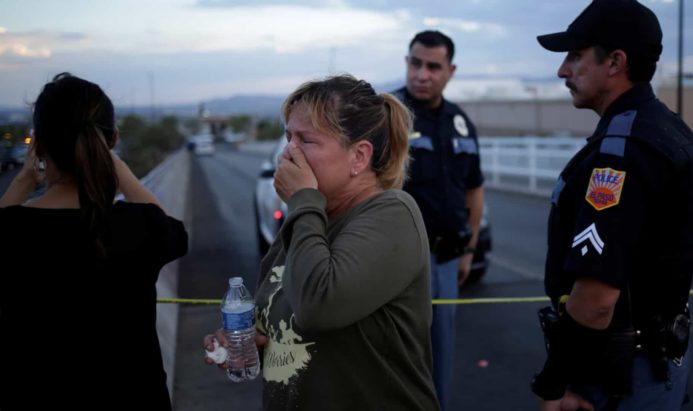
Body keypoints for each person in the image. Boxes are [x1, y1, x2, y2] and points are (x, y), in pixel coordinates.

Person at [203, 74, 440, 410]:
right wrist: (243, 340)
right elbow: (283, 317)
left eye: (307, 141)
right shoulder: (309, 219)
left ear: (359, 157)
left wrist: (302, 199)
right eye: (288, 137)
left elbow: (318, 305)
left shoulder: (392, 215)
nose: (289, 152)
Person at [531, 1, 693, 410]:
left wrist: (554, 385)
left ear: (615, 61)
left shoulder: (621, 153)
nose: (563, 70)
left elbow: (597, 298)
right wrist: (651, 291)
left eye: (576, 55)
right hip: (661, 360)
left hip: (619, 376)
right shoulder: (670, 128)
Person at [0, 73, 188, 410]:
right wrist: (122, 171)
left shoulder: (12, 230)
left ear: (39, 145)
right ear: (113, 140)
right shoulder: (138, 226)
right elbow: (173, 231)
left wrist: (25, 180)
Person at [392, 29, 485, 409]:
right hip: (397, 263)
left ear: (451, 71)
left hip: (446, 260)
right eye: (416, 64)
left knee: (440, 356)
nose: (422, 74)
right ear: (407, 63)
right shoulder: (387, 114)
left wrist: (469, 250)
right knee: (396, 357)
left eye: (433, 66)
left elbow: (474, 189)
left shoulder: (460, 122)